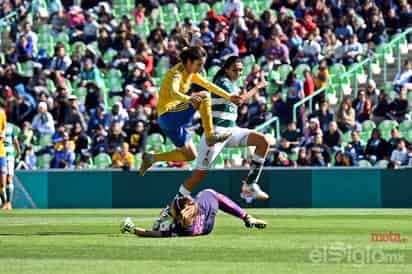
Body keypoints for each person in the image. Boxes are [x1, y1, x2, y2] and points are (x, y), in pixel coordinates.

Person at [176, 56, 270, 202]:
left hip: (231, 131)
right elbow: (238, 101)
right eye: (235, 70)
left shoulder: (233, 84)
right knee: (198, 176)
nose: (238, 73)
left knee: (263, 141)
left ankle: (249, 185)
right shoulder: (223, 82)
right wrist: (258, 87)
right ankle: (175, 203)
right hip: (216, 134)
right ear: (226, 70)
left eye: (240, 70)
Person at [139, 47, 242, 176]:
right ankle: (210, 136)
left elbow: (209, 84)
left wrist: (229, 96)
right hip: (169, 115)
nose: (200, 68)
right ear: (188, 62)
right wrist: (189, 98)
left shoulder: (191, 73)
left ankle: (152, 158)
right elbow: (173, 92)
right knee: (204, 95)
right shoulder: (177, 73)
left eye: (202, 65)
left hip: (171, 122)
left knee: (190, 155)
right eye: (199, 64)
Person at [120, 189, 267, 237]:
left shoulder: (180, 228)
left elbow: (151, 234)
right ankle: (247, 217)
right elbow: (224, 202)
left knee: (161, 223)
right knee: (209, 192)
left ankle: (165, 218)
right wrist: (245, 216)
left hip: (201, 230)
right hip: (207, 224)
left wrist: (131, 228)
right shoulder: (203, 200)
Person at [3, 123, 20, 210]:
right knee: (2, 180)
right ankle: (5, 202)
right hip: (1, 155)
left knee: (9, 178)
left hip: (9, 155)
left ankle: (8, 203)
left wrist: (18, 152)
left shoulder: (11, 127)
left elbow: (15, 140)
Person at [0, 107, 7, 209]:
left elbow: (4, 127)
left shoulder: (1, 113)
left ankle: (5, 201)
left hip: (0, 152)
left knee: (2, 179)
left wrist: (3, 134)